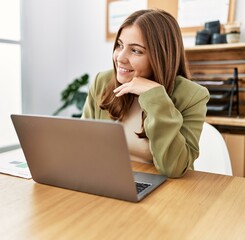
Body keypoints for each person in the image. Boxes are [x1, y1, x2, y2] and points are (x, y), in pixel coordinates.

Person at [81, 9, 210, 178]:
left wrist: (156, 98)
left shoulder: (192, 96)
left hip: (166, 192)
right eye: (120, 45)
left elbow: (174, 168)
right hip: (108, 180)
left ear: (161, 56)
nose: (120, 57)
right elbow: (83, 146)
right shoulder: (103, 82)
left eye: (136, 50)